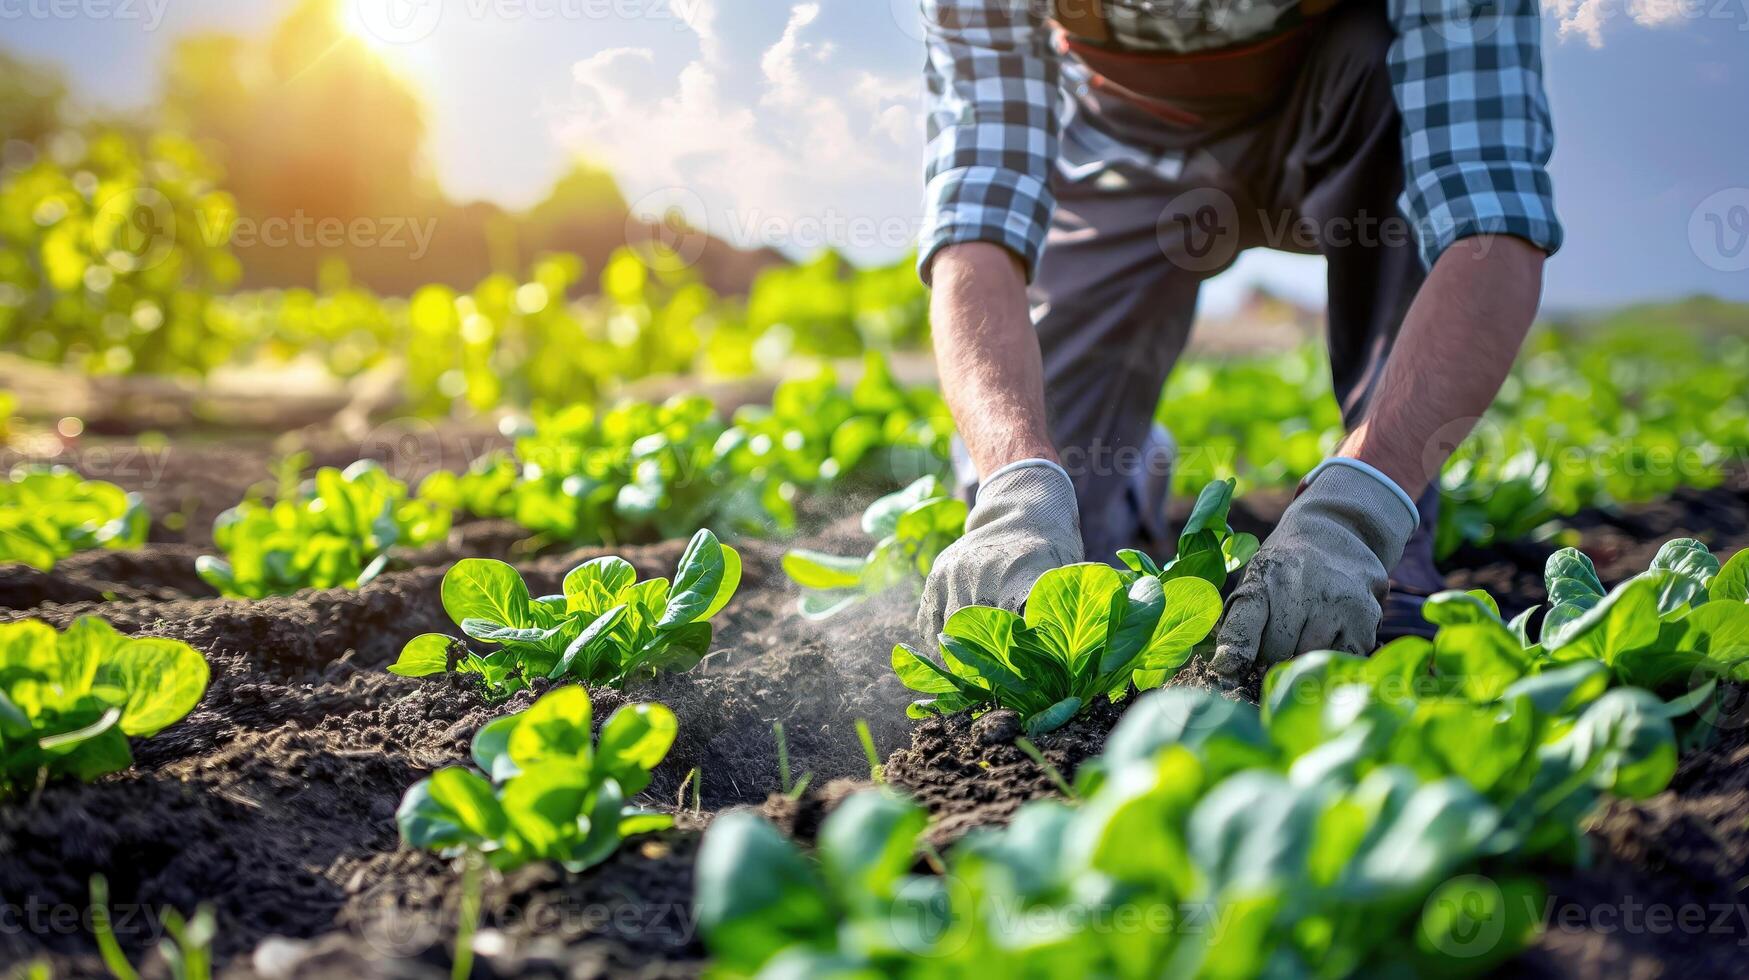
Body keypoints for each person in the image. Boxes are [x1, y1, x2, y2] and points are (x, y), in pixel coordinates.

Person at [914, 0, 1558, 679]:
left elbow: (1488, 217)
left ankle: (1384, 545)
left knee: (1379, 69)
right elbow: (976, 221)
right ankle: (1130, 481)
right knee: (1040, 549)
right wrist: (1015, 482)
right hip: (1133, 146)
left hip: (1354, 118)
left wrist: (1358, 513)